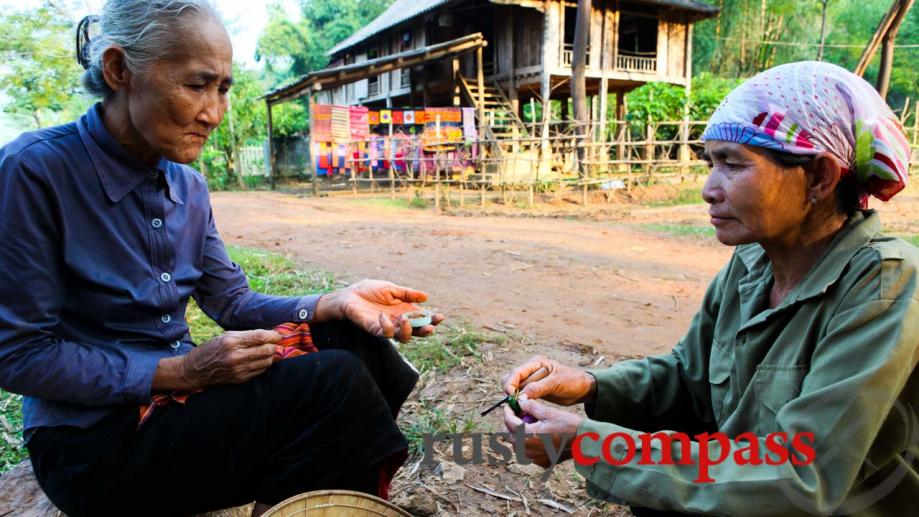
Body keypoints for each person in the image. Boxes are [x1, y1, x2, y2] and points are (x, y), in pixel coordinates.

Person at [0, 1, 443, 515]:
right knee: (333, 385)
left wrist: (334, 301)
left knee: (354, 344)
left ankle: (319, 500)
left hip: (175, 408)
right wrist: (182, 372)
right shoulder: (33, 172)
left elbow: (231, 301)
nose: (214, 112)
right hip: (94, 443)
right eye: (196, 84)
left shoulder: (187, 185)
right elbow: (19, 356)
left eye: (224, 88)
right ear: (120, 70)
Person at [501, 61, 917, 515]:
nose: (708, 189)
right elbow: (690, 377)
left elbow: (803, 472)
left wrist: (589, 443)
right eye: (710, 163)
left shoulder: (887, 284)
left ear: (819, 177)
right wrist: (590, 385)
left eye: (732, 165)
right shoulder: (753, 261)